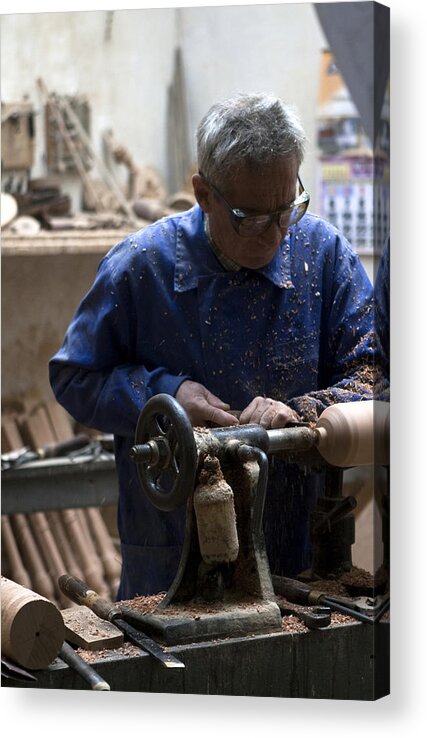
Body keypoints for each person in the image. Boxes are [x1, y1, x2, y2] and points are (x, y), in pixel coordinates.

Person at [49, 93, 374, 599]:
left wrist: (306, 411)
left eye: (286, 208)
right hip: (169, 562)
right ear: (203, 193)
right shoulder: (139, 269)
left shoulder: (324, 256)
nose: (274, 234)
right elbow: (74, 377)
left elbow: (375, 373)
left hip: (300, 566)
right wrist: (165, 394)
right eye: (250, 217)